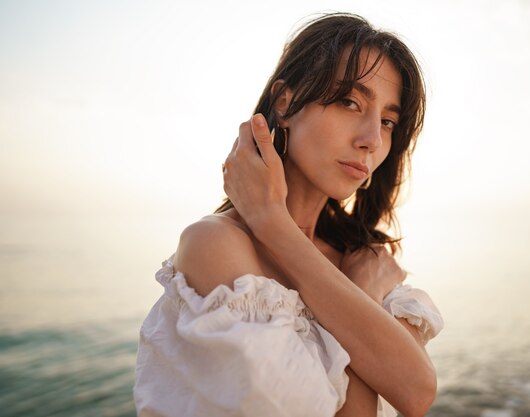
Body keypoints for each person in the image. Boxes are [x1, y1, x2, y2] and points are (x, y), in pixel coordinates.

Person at [134, 12, 443, 417]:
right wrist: (361, 293)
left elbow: (417, 394)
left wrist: (276, 227)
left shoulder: (365, 257)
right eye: (350, 102)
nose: (371, 139)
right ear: (285, 103)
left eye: (387, 121)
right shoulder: (215, 246)